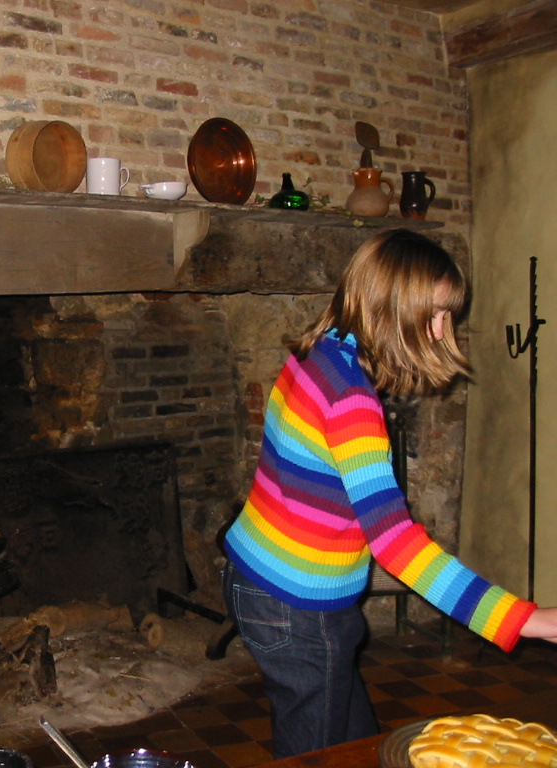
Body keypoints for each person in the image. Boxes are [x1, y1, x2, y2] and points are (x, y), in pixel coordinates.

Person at [221, 228, 557, 760]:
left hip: (259, 580)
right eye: (439, 314)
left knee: (357, 744)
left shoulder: (320, 353)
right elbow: (398, 545)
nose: (447, 329)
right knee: (318, 756)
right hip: (298, 608)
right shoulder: (351, 399)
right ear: (395, 311)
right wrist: (524, 618)